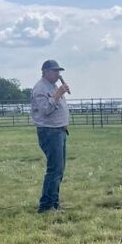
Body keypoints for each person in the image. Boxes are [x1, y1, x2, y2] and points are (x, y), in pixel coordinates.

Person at [30, 59, 70, 214]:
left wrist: (58, 93)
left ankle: (54, 202)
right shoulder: (40, 88)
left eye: (59, 71)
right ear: (45, 71)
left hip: (58, 131)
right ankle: (46, 205)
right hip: (50, 132)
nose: (58, 74)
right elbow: (44, 110)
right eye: (55, 71)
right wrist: (58, 94)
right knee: (54, 169)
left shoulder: (52, 86)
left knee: (59, 169)